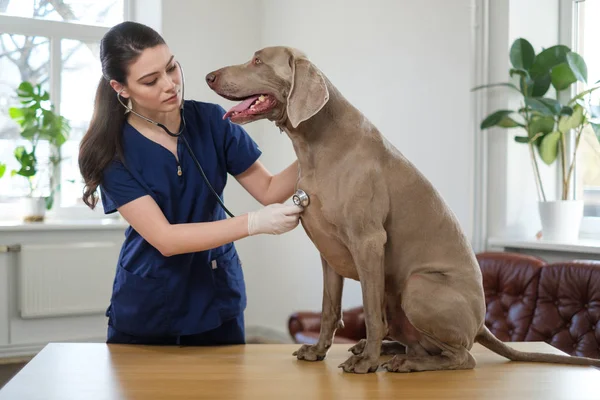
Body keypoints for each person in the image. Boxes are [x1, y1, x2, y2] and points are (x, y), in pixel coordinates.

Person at [78, 21, 302, 346]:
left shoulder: (212, 121)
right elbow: (165, 239)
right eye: (150, 81)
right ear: (121, 88)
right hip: (150, 309)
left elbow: (270, 191)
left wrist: (321, 148)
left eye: (171, 68)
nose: (169, 85)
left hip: (217, 299)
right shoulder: (112, 151)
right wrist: (253, 223)